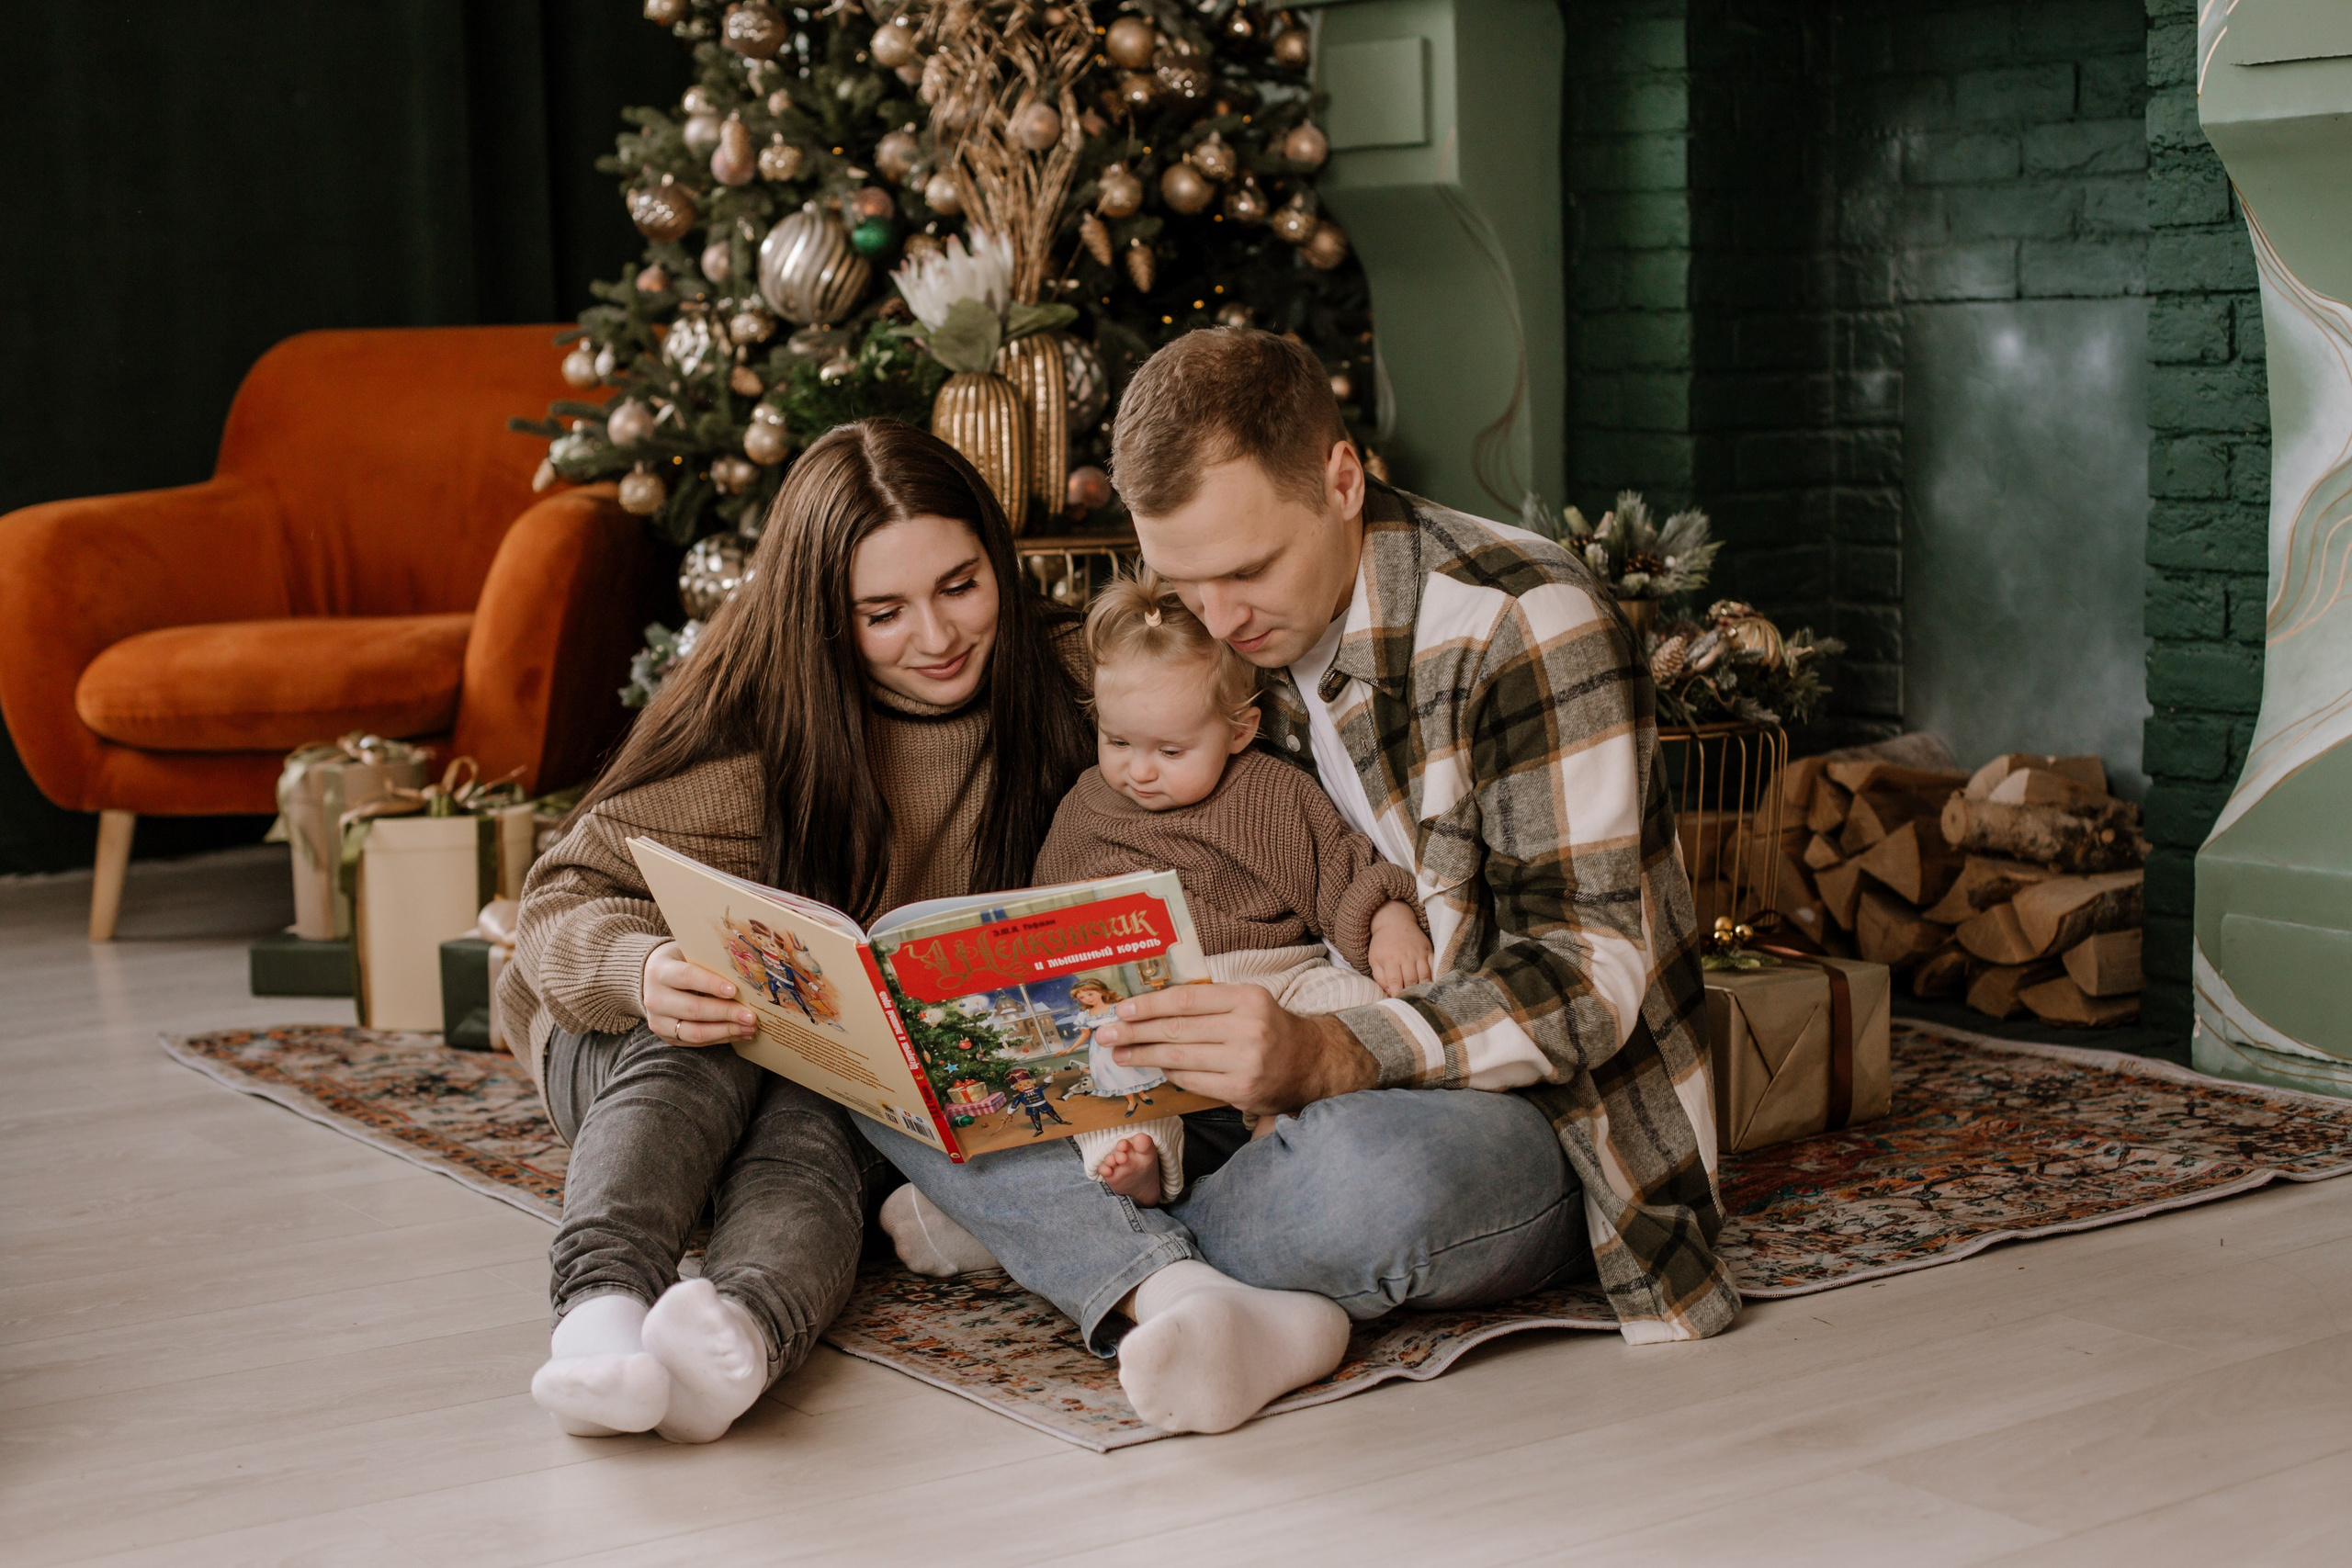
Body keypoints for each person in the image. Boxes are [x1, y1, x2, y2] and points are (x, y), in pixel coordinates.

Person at [857, 328, 1732, 1438]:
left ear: (1339, 477)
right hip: (1239, 1097)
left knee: (1369, 1180)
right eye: (1182, 582)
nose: (1218, 622)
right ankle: (1186, 1285)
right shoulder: (1224, 640)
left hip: (1506, 1119)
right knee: (908, 999)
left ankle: (1073, 1242)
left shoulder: (1519, 623)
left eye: (1246, 571)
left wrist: (1327, 1054)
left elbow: (1593, 981)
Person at [502, 420, 1092, 1443]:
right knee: (711, 1037)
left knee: (814, 1132)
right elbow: (556, 905)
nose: (938, 637)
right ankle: (597, 1316)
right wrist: (643, 968)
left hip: (845, 1070)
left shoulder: (1067, 687)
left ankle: (735, 1338)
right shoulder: (758, 723)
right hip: (631, 1032)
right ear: (826, 613)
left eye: (961, 586)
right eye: (883, 612)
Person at [1034, 570, 1434, 1207]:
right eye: (1117, 741)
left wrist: (1389, 920)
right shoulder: (1085, 807)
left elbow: (1343, 867)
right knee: (1108, 1063)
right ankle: (1140, 1163)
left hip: (1277, 980)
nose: (1138, 770)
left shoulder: (1274, 792)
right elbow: (1044, 917)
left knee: (1356, 1004)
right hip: (1157, 1008)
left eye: (1170, 750)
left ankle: (1283, 1122)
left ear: (1239, 730)